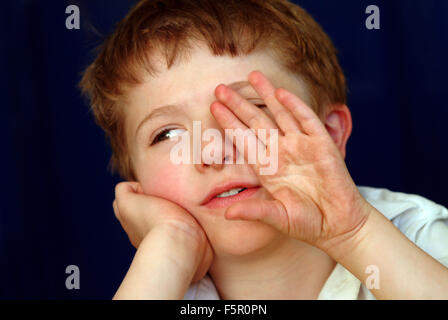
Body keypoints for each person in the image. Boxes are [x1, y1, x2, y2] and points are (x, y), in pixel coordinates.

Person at [79, 0, 448, 299]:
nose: (213, 151)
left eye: (250, 111)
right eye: (168, 134)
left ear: (330, 133)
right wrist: (172, 241)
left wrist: (355, 234)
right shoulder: (161, 280)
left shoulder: (417, 238)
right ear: (138, 187)